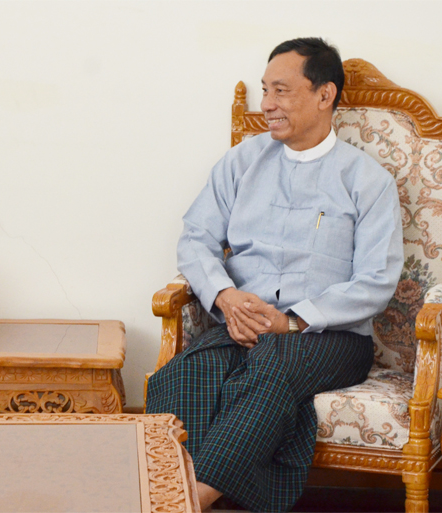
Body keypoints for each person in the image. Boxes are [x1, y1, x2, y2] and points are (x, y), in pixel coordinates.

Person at [145, 37, 403, 512]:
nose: (266, 104)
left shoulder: (367, 180)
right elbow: (195, 238)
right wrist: (225, 297)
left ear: (324, 95)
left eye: (281, 91)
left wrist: (292, 321)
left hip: (331, 337)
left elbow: (377, 280)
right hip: (242, 325)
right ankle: (174, 488)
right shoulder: (242, 162)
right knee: (183, 373)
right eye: (265, 90)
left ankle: (190, 498)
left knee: (270, 367)